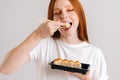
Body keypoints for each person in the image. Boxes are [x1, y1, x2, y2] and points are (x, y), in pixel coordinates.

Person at [0, 0, 109, 80]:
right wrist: (37, 35)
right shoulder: (43, 43)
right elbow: (5, 68)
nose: (63, 16)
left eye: (70, 10)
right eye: (57, 13)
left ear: (79, 15)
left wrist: (86, 79)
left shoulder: (94, 53)